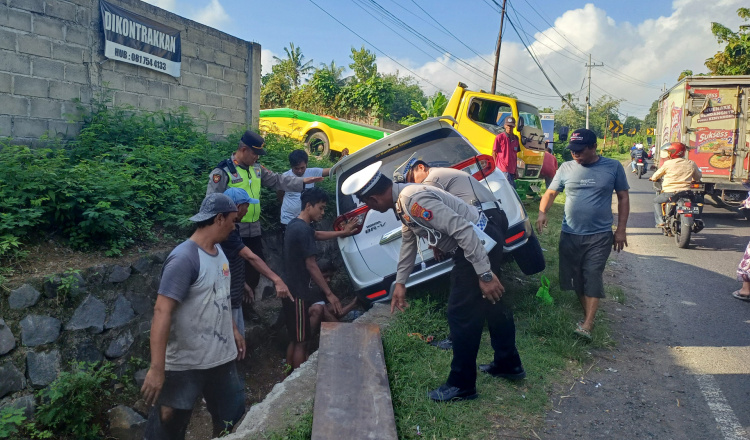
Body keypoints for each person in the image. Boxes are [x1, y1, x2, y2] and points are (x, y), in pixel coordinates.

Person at [342, 162, 525, 403]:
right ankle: (508, 363)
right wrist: (400, 282)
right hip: (482, 240)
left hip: (477, 245)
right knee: (492, 304)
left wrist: (485, 275)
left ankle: (462, 385)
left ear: (374, 199)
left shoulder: (413, 199)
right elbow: (408, 242)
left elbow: (464, 231)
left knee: (460, 314)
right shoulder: (403, 200)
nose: (370, 207)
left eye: (367, 203)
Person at [141, 193, 246, 439]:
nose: (234, 226)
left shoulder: (219, 252)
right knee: (169, 420)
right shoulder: (184, 258)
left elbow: (220, 297)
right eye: (232, 220)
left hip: (220, 358)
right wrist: (157, 369)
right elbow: (161, 311)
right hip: (186, 362)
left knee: (232, 415)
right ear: (219, 218)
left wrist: (233, 329)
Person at [395, 158, 511, 351]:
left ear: (421, 167)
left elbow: (439, 216)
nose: (410, 185)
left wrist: (436, 243)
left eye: (411, 178)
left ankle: (459, 339)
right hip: (492, 218)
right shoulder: (442, 175)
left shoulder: (430, 180)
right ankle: (504, 356)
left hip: (483, 225)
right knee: (483, 289)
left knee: (469, 288)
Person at [206, 130, 323, 299]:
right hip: (231, 229)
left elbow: (277, 180)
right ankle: (234, 305)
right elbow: (211, 202)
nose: (257, 158)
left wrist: (301, 182)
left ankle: (247, 304)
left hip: (254, 228)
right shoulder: (223, 171)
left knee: (255, 269)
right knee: (233, 268)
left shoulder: (256, 169)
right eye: (255, 153)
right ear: (244, 149)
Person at [536, 128, 630, 340]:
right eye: (572, 150)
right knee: (576, 278)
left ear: (594, 147)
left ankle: (587, 325)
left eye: (580, 150)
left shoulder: (613, 167)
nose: (575, 154)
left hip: (600, 235)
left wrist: (621, 230)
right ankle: (587, 314)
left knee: (592, 274)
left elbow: (623, 197)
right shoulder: (566, 167)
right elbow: (551, 193)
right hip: (570, 233)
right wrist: (542, 213)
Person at [282, 187, 356, 371]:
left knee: (295, 338)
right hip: (298, 293)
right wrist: (329, 294)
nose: (323, 212)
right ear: (309, 206)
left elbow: (316, 235)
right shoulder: (302, 230)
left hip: (290, 290)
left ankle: (286, 378)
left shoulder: (295, 225)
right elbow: (311, 265)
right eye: (321, 208)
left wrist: (342, 233)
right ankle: (295, 383)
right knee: (302, 341)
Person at [220, 188, 292, 340]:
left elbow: (229, 261)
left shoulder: (233, 228)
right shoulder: (226, 232)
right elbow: (250, 257)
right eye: (247, 206)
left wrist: (243, 283)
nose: (247, 210)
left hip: (234, 294)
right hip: (228, 300)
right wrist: (277, 280)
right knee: (235, 343)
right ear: (239, 207)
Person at [648, 142, 702, 228]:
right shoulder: (691, 163)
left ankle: (660, 221)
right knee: (698, 202)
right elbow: (698, 177)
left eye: (669, 152)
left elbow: (655, 176)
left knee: (656, 201)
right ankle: (697, 220)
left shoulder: (668, 164)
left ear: (673, 153)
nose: (668, 154)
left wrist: (653, 178)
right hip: (686, 192)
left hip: (670, 193)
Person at [278, 149, 331, 228]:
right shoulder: (285, 177)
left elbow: (331, 170)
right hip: (288, 220)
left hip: (307, 219)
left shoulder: (312, 172)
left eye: (302, 168)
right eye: (296, 168)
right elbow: (279, 194)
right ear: (291, 166)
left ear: (307, 164)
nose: (300, 171)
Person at [492, 116, 520, 187]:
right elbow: (494, 152)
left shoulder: (516, 139)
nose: (509, 127)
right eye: (508, 125)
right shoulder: (500, 137)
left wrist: (516, 170)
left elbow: (515, 155)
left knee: (512, 189)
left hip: (512, 170)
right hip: (502, 169)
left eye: (511, 126)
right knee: (509, 189)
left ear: (514, 126)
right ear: (504, 126)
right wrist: (495, 167)